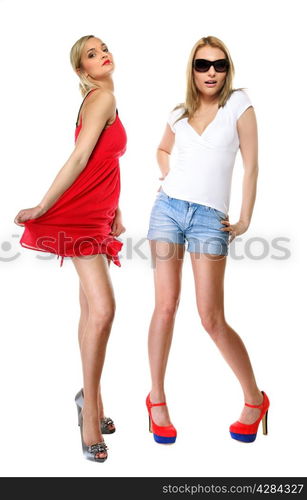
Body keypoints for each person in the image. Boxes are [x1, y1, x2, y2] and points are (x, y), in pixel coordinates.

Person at [146, 35, 269, 445]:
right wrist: (169, 175)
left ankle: (255, 400)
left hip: (209, 220)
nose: (211, 72)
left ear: (227, 69)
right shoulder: (179, 112)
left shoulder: (239, 104)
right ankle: (157, 400)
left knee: (211, 318)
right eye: (203, 65)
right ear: (192, 68)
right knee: (164, 307)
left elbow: (251, 167)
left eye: (218, 65)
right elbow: (162, 150)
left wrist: (246, 217)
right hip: (167, 210)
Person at [14, 35, 127, 461]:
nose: (102, 55)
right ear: (82, 71)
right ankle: (91, 412)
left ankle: (90, 396)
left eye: (103, 48)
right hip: (80, 216)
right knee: (103, 310)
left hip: (99, 215)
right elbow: (80, 158)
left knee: (89, 312)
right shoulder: (100, 98)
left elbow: (106, 161)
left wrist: (117, 209)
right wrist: (44, 204)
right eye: (91, 54)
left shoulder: (106, 97)